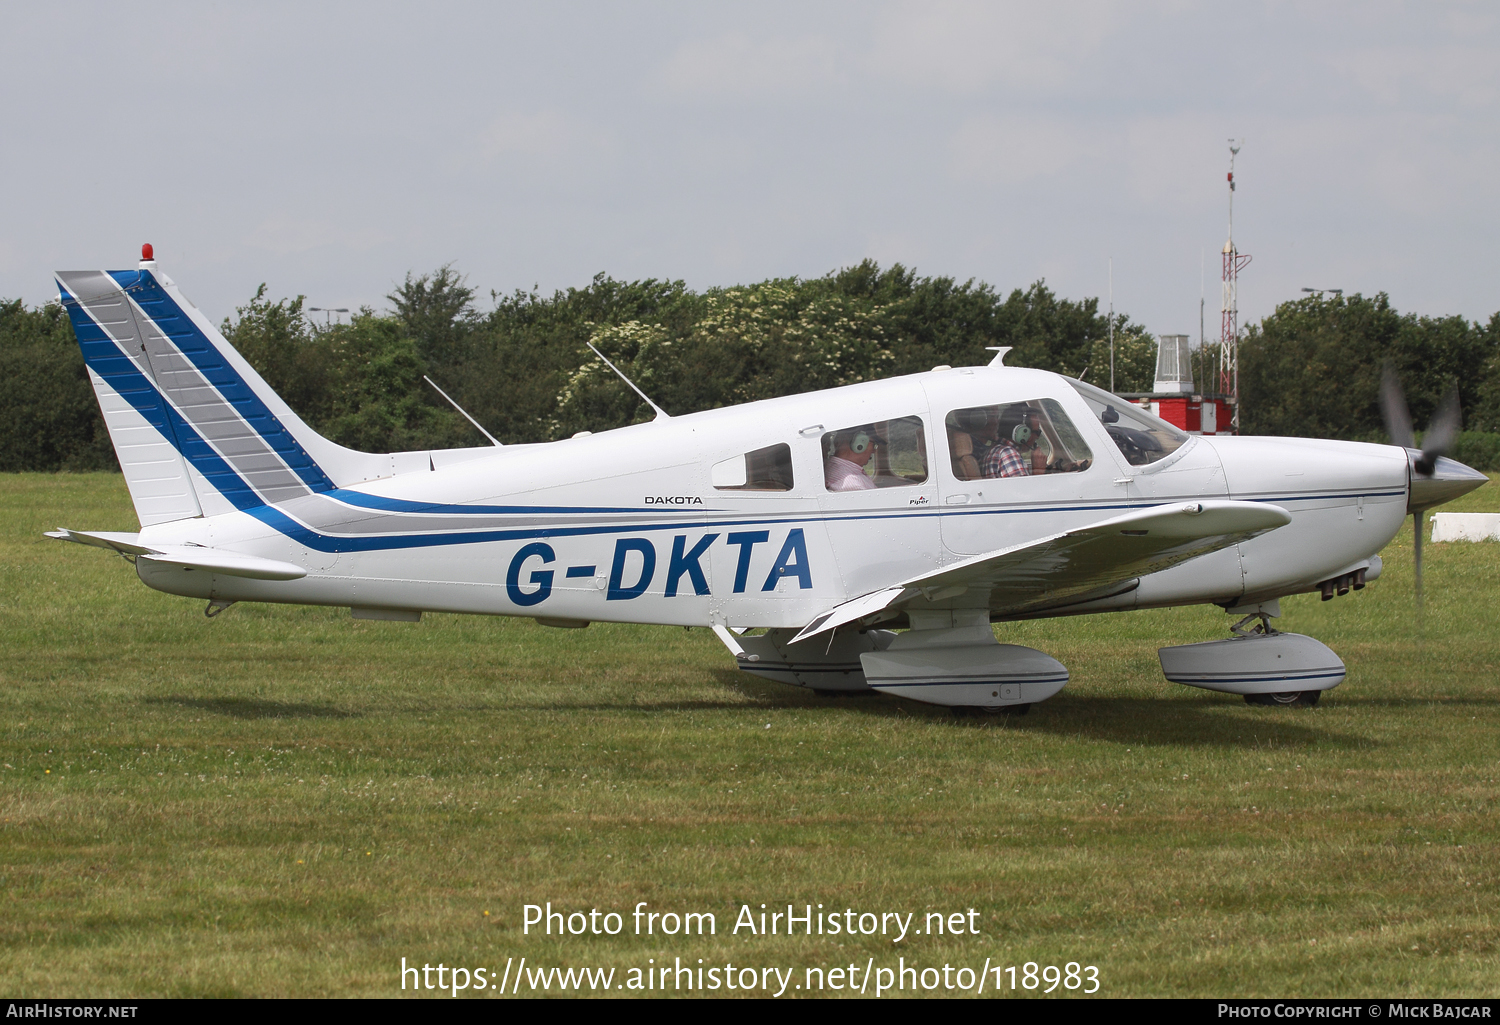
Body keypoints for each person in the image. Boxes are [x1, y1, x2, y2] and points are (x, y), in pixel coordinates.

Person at [982, 410, 1043, 478]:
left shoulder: (994, 450)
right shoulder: (1008, 453)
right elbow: (1024, 488)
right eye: (1037, 432)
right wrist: (1038, 471)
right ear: (1023, 433)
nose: (1037, 437)